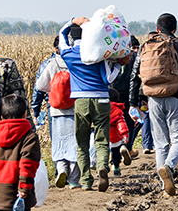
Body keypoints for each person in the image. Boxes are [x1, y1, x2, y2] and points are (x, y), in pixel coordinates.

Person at [129, 13, 178, 196]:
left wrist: (133, 103)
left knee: (160, 143)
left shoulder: (146, 45)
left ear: (157, 29)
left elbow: (134, 75)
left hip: (152, 98)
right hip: (176, 96)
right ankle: (168, 166)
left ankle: (163, 184)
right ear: (175, 29)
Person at [59, 17, 123, 192]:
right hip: (102, 99)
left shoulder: (68, 54)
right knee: (102, 139)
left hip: (81, 100)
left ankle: (86, 181)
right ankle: (102, 166)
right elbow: (108, 79)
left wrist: (72, 20)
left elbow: (61, 34)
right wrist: (118, 66)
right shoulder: (98, 53)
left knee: (82, 142)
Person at [34, 36, 82, 189]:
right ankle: (74, 180)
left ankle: (61, 169)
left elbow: (40, 86)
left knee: (59, 142)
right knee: (75, 144)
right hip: (75, 109)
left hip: (56, 110)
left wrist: (37, 108)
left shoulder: (51, 63)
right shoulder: (76, 61)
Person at [0, 94, 42, 211]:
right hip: (19, 194)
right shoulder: (29, 136)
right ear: (24, 114)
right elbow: (27, 165)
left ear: (2, 116)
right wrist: (24, 187)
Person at [111, 36, 141, 159]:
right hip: (128, 93)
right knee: (129, 122)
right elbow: (136, 77)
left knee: (113, 122)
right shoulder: (133, 57)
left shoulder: (111, 57)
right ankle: (127, 147)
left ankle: (113, 153)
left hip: (112, 94)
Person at [31, 36, 61, 129]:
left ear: (55, 49)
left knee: (55, 137)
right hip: (73, 106)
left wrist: (36, 112)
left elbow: (38, 89)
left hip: (53, 105)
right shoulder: (76, 62)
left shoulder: (47, 64)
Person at [108, 88, 131, 176]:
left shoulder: (101, 109)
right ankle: (116, 168)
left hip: (104, 135)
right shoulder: (117, 110)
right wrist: (125, 134)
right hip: (116, 136)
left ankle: (102, 168)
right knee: (116, 153)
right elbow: (121, 123)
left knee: (103, 153)